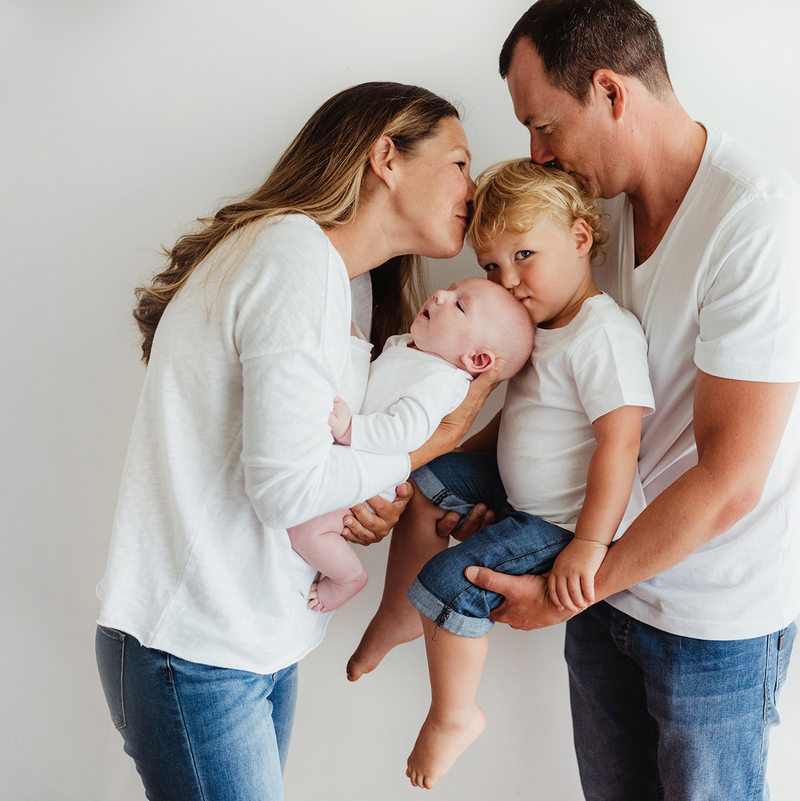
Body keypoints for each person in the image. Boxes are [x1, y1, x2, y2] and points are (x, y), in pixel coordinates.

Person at [450, 2, 800, 799]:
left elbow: (730, 481)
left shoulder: (755, 223)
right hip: (601, 596)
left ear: (611, 93)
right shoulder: (589, 221)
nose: (536, 155)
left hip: (711, 629)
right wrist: (472, 484)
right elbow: (552, 402)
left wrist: (570, 588)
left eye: (544, 126)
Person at [93, 82, 501, 801]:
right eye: (461, 162)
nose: (474, 186)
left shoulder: (350, 284)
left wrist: (366, 503)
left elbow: (313, 463)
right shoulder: (293, 257)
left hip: (252, 636)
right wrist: (435, 441)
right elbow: (284, 488)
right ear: (386, 157)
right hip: (195, 650)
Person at [348, 158, 655, 789]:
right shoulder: (538, 331)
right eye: (492, 267)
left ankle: (454, 714)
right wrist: (433, 459)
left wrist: (590, 547)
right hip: (523, 496)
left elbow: (619, 447)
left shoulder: (603, 335)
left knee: (452, 581)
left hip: (566, 522)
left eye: (523, 255)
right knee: (434, 482)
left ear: (579, 237)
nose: (507, 280)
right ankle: (401, 610)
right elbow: (515, 432)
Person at [287, 277, 534, 612]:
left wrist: (350, 429)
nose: (441, 295)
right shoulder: (409, 347)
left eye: (459, 304)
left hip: (368, 489)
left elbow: (405, 432)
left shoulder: (442, 381)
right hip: (351, 462)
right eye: (449, 288)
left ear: (476, 360)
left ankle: (348, 578)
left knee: (306, 529)